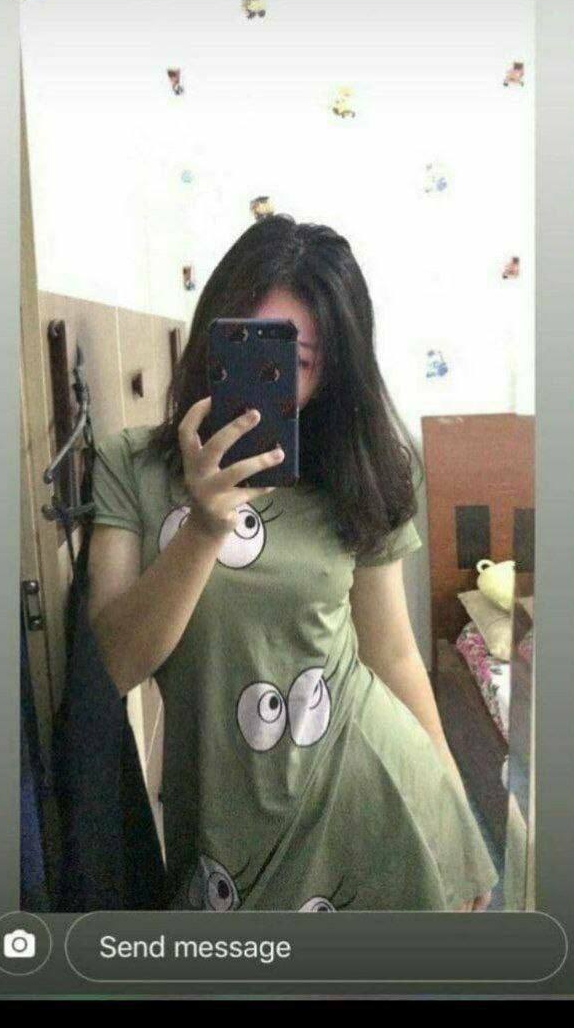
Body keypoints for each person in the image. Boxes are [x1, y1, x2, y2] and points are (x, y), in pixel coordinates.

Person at [88, 214, 498, 912]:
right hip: (223, 831)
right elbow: (112, 666)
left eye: (295, 362)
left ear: (329, 371)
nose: (265, 380)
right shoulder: (130, 467)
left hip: (375, 805)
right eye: (246, 345)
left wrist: (455, 816)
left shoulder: (359, 472)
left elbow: (394, 655)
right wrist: (203, 529)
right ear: (211, 336)